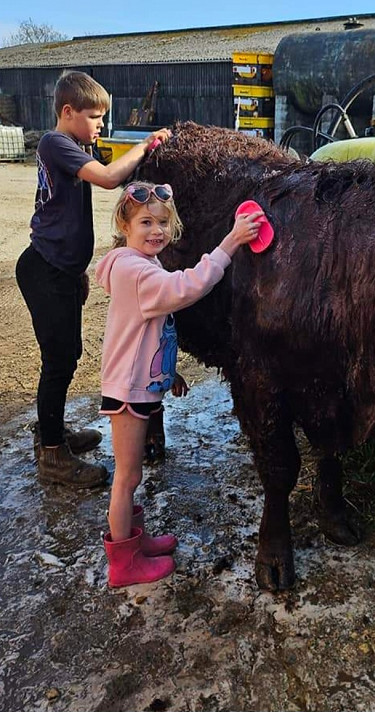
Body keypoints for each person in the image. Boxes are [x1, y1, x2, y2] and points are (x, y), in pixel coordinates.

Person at [96, 180, 263, 587]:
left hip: (139, 384)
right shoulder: (138, 273)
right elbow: (187, 287)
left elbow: (149, 332)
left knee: (131, 476)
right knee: (127, 478)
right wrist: (231, 242)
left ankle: (135, 541)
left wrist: (166, 374)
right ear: (124, 223)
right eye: (146, 222)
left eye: (163, 223)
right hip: (127, 392)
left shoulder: (138, 262)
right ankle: (123, 563)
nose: (157, 231)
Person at [15, 70, 173, 489]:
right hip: (43, 269)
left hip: (60, 271)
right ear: (68, 112)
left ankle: (53, 430)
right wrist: (143, 146)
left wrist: (78, 271)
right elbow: (107, 178)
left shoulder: (72, 146)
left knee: (68, 353)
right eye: (94, 116)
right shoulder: (56, 143)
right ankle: (51, 452)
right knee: (60, 359)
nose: (100, 125)